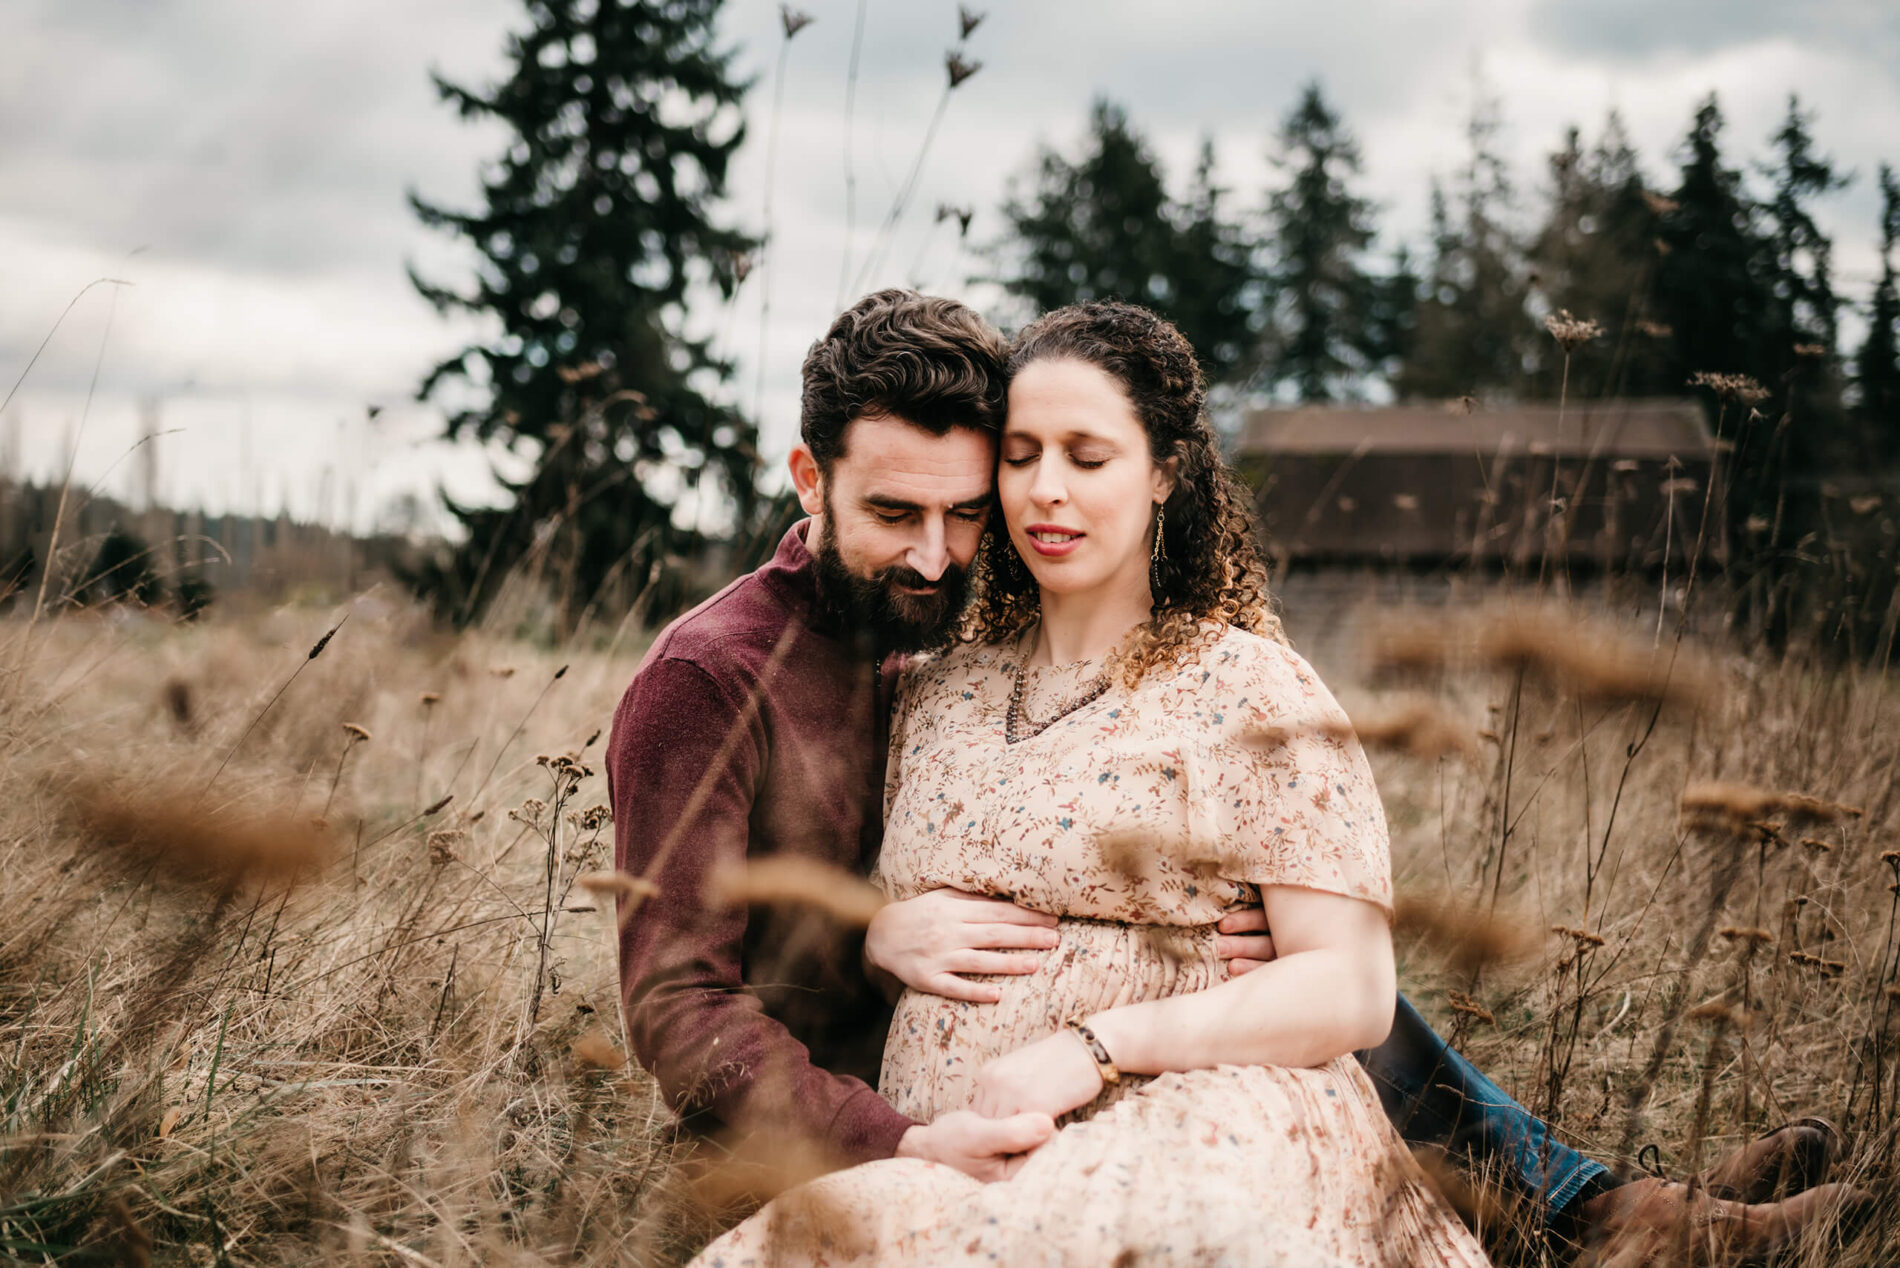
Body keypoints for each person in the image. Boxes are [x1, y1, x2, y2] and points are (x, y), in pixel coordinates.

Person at [610, 290, 1856, 1265]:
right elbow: (680, 1007)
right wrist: (879, 966)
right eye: (895, 514)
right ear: (807, 479)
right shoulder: (712, 678)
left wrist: (1173, 967)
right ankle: (1590, 1212)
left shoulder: (941, 635)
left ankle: (1590, 1208)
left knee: (1267, 939)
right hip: (844, 1116)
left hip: (1090, 1092)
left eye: (965, 511)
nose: (935, 555)